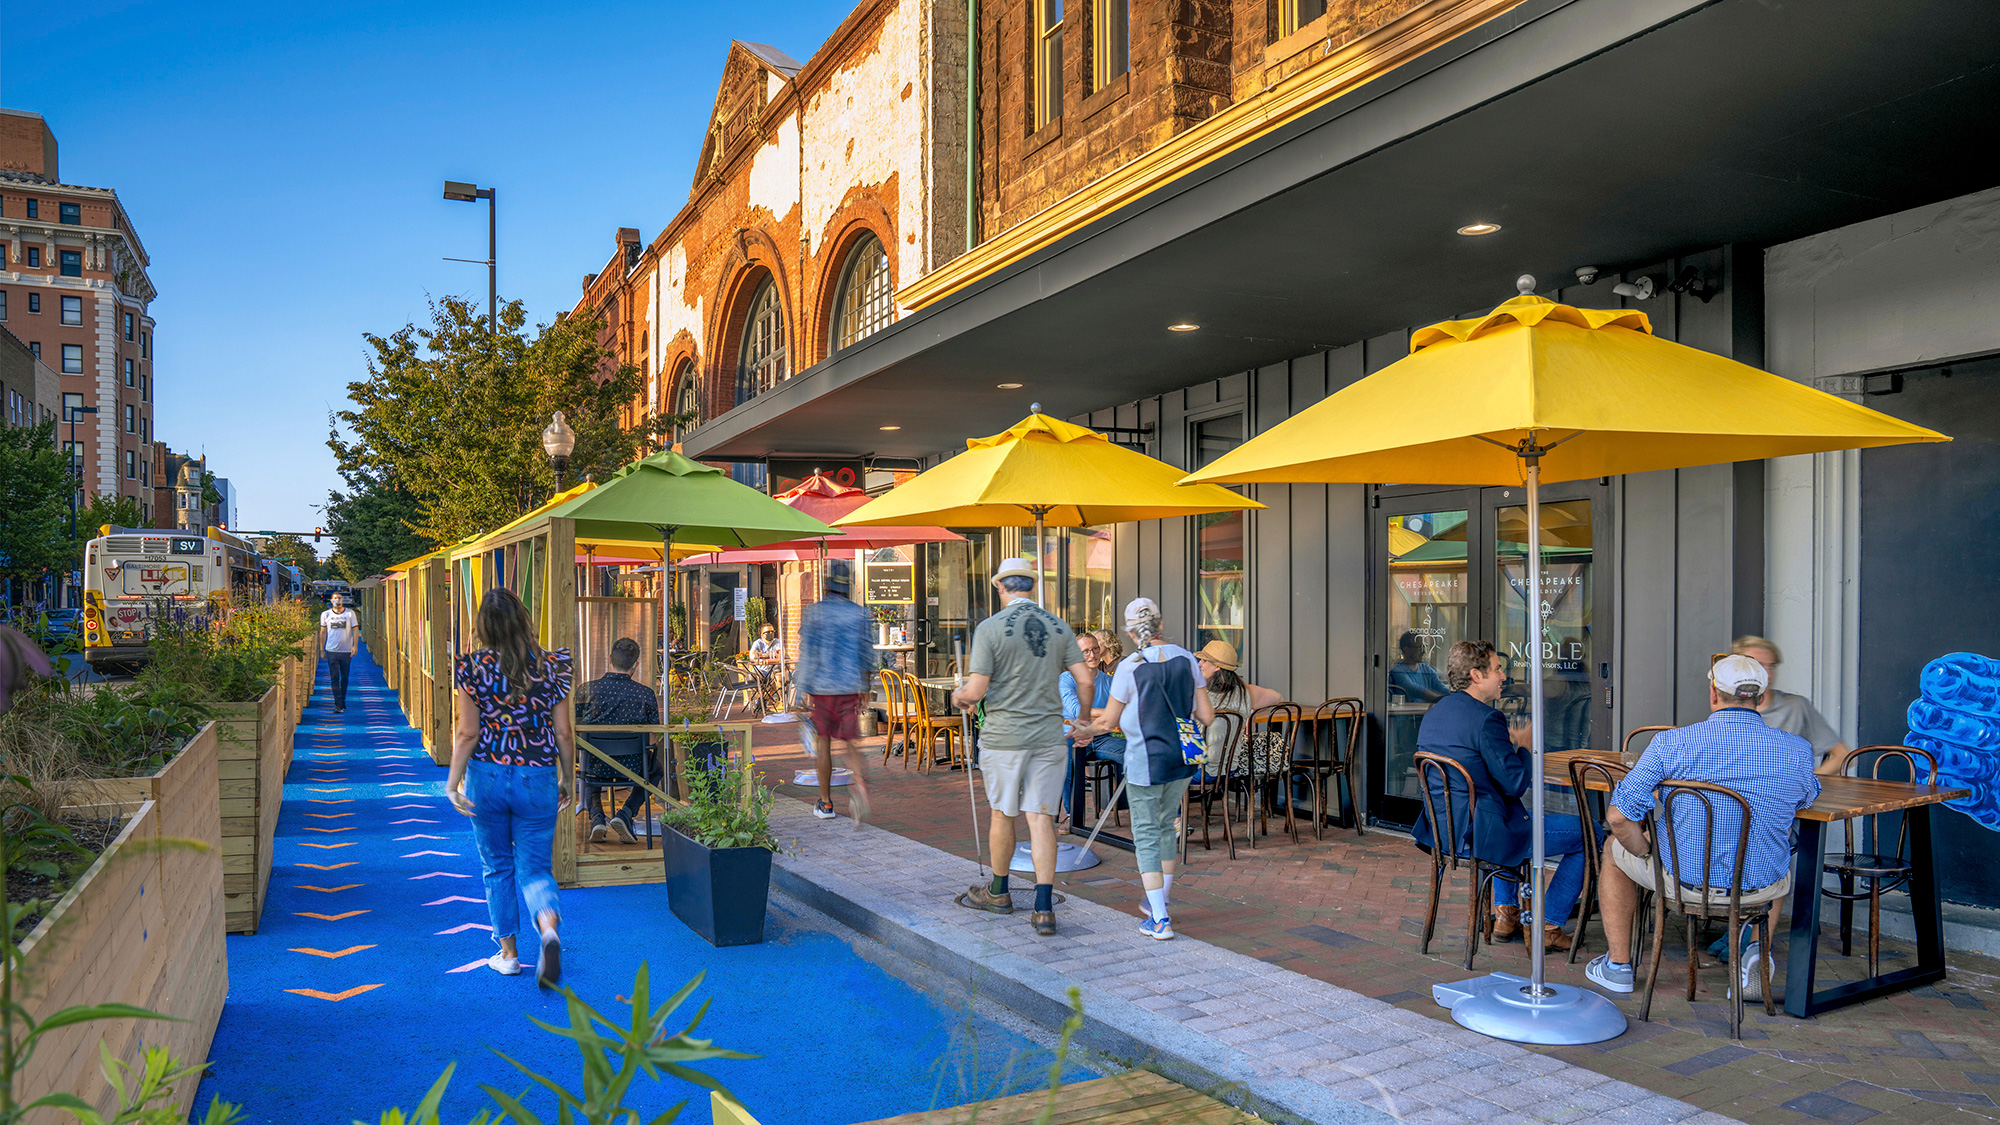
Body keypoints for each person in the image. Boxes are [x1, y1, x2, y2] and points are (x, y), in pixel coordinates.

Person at [1585, 654, 1821, 998]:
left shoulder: (1671, 743)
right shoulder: (1797, 750)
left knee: (1612, 849)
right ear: (1761, 696)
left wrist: (1645, 849)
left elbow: (1619, 817)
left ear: (1714, 693)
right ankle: (1756, 950)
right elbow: (1804, 800)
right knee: (1777, 851)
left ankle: (1619, 966)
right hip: (1760, 888)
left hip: (1685, 883)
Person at [1409, 640, 1595, 954]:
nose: (1504, 676)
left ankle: (1506, 914)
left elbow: (1478, 768)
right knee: (1589, 834)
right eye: (1498, 669)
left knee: (1506, 813)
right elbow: (1516, 784)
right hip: (1483, 834)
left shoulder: (1436, 712)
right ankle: (1548, 924)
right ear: (1476, 675)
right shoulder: (1487, 719)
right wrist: (1523, 743)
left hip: (1445, 831)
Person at [952, 559, 1091, 936]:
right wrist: (1084, 722)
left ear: (1000, 587)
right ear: (1032, 586)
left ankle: (999, 892)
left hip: (1004, 737)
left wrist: (959, 695)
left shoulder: (990, 628)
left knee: (1002, 813)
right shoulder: (1060, 627)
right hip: (1048, 736)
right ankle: (1043, 907)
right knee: (1041, 818)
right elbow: (1084, 679)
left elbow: (977, 690)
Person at [445, 588, 574, 987]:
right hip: (537, 775)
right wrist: (568, 777)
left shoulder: (471, 667)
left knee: (496, 867)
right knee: (535, 868)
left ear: (483, 625)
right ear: (524, 618)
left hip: (487, 775)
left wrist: (452, 783)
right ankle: (548, 927)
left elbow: (467, 732)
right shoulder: (554, 665)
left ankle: (509, 955)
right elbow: (564, 732)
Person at [1079, 598, 1214, 941]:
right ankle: (1160, 903)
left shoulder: (1130, 666)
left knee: (1146, 835)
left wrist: (1083, 730)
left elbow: (1108, 720)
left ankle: (1160, 920)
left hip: (1145, 761)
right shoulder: (1187, 659)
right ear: (1160, 624)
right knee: (1168, 828)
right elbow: (1207, 716)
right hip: (1182, 761)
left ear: (1129, 630)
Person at [794, 561, 877, 822]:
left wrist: (799, 692)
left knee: (823, 743)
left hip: (822, 687)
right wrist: (865, 685)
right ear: (849, 585)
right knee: (851, 742)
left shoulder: (814, 613)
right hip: (850, 685)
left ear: (828, 583)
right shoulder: (860, 614)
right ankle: (859, 787)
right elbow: (866, 652)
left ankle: (826, 803)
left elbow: (807, 653)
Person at [576, 636, 661, 844]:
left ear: (609, 659)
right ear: (636, 665)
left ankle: (597, 818)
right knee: (656, 769)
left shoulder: (587, 690)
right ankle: (625, 813)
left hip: (596, 765)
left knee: (588, 762)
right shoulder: (646, 694)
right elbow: (652, 738)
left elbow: (576, 730)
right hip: (632, 767)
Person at [1732, 635, 1852, 776]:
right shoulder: (1728, 708)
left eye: (1772, 666)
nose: (1768, 673)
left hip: (1788, 793)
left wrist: (1808, 784)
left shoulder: (1796, 706)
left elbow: (1843, 755)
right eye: (1758, 665)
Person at [1061, 628, 1125, 820]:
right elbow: (1076, 710)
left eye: (1095, 649)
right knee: (1066, 761)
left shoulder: (1109, 681)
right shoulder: (1067, 679)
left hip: (1101, 738)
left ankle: (1131, 808)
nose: (1093, 654)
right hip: (1072, 736)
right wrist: (1110, 713)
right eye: (1086, 651)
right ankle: (1072, 815)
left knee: (1137, 753)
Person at [1194, 641, 1283, 778]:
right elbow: (1277, 697)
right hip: (1229, 770)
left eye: (1204, 660)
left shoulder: (1197, 693)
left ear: (1217, 666)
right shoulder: (1245, 692)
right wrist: (1249, 713)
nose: (1199, 663)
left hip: (1199, 771)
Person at [317, 592, 360, 713]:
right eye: (335, 599)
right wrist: (321, 649)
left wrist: (355, 646)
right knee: (334, 677)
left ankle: (342, 701)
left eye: (339, 598)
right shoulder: (325, 615)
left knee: (344, 677)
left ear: (343, 600)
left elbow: (355, 630)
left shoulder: (350, 614)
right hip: (332, 650)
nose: (337, 601)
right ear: (331, 601)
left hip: (346, 651)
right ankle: (338, 704)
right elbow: (323, 632)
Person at [1388, 631, 1449, 703]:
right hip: (1410, 714)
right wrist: (1446, 699)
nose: (1423, 651)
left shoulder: (1427, 670)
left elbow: (1443, 689)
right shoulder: (1397, 672)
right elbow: (1416, 691)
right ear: (1406, 649)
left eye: (1423, 647)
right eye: (1418, 647)